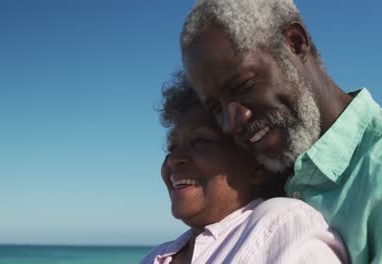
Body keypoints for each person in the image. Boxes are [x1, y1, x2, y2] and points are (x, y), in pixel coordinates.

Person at [179, 0, 382, 263]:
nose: (231, 123)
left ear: (295, 43)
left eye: (244, 85)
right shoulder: (264, 169)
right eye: (215, 107)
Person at [140, 72, 348, 263]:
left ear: (257, 166)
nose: (174, 158)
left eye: (201, 141)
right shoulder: (157, 256)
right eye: (172, 146)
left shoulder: (282, 223)